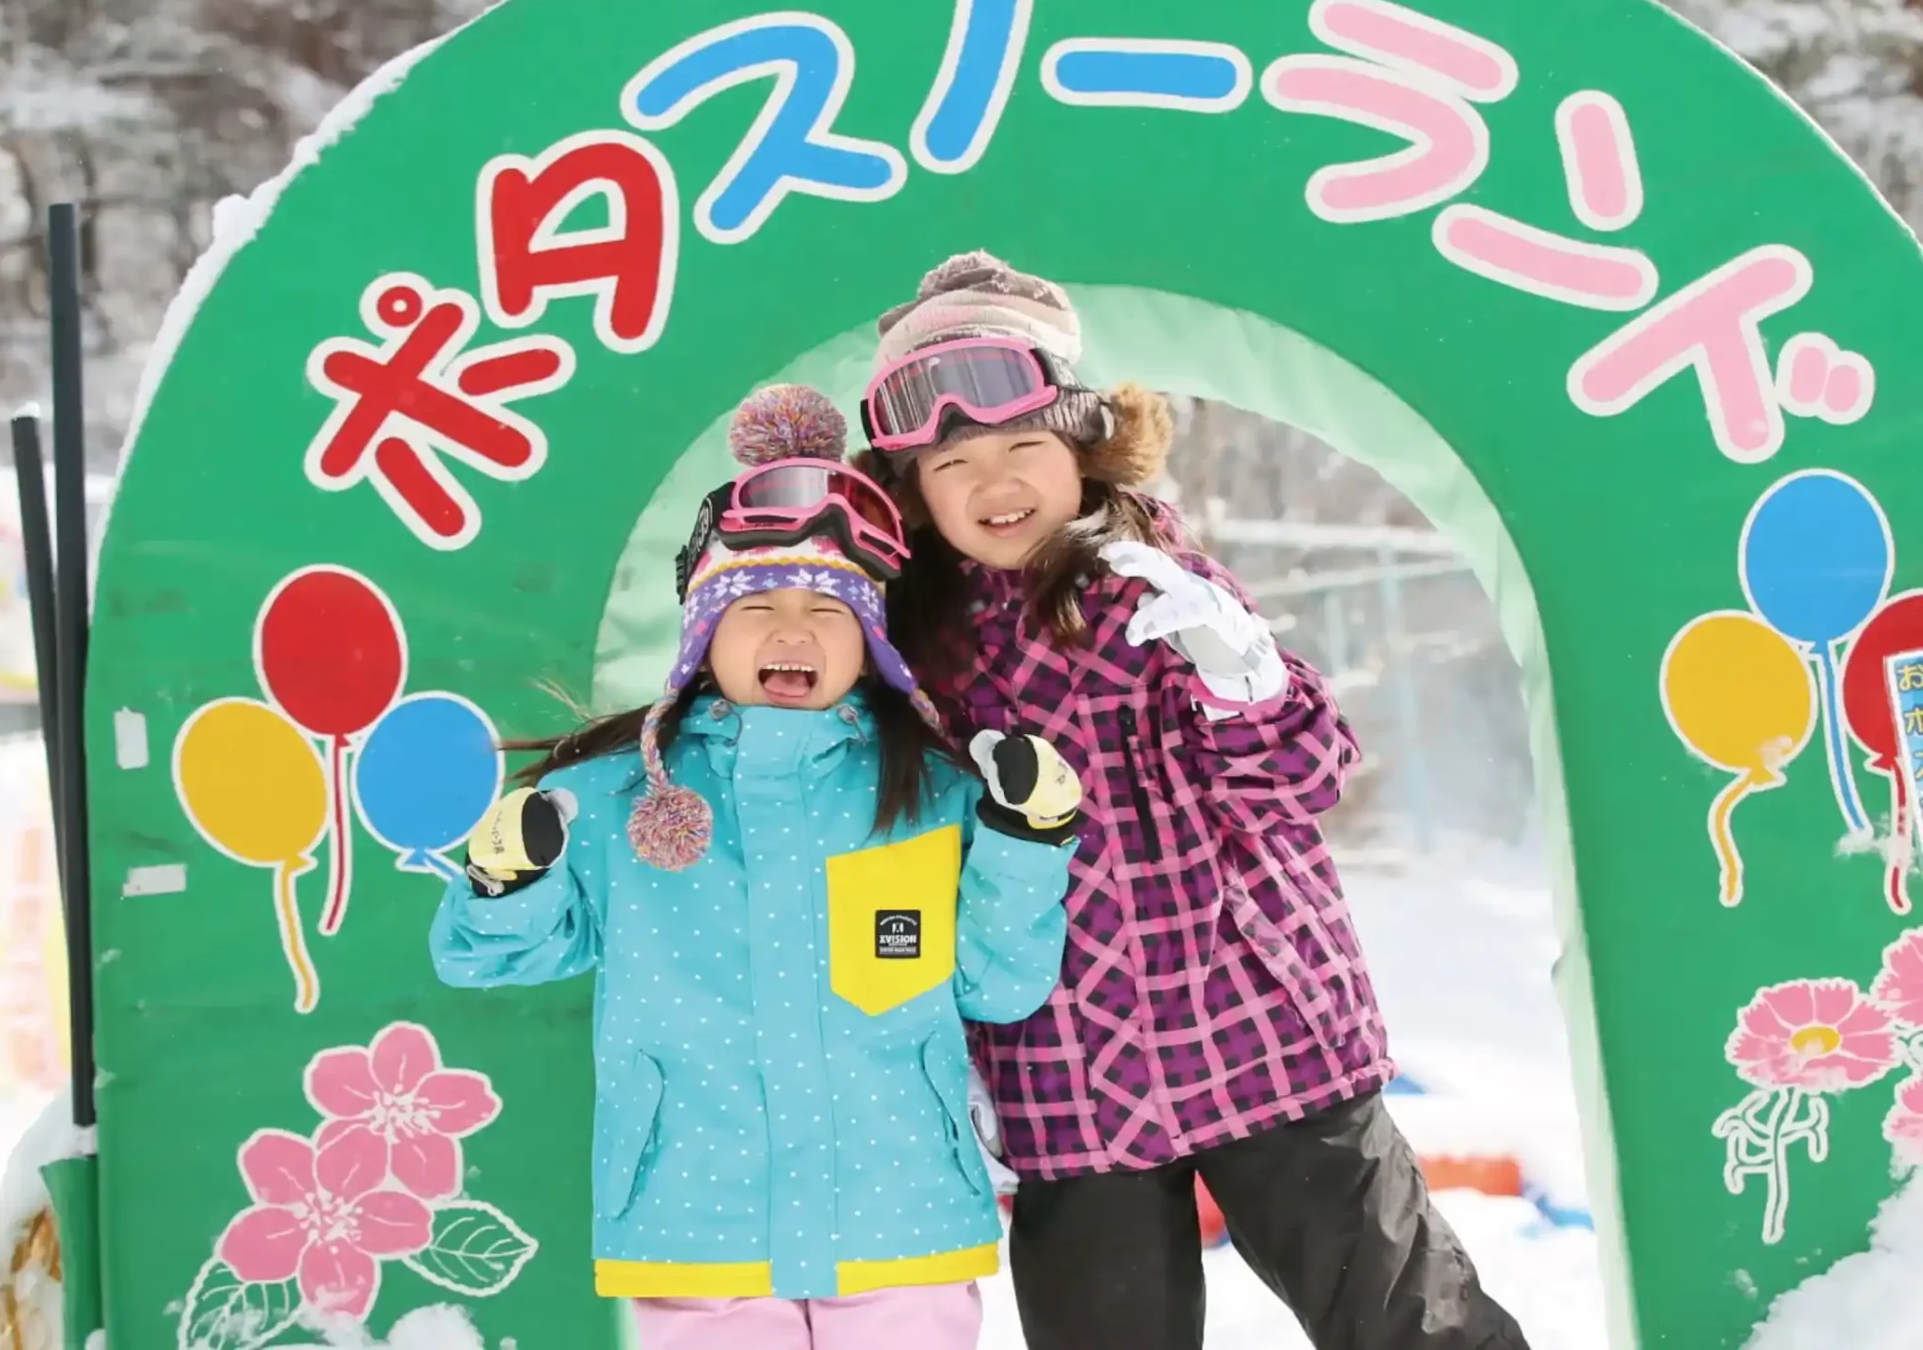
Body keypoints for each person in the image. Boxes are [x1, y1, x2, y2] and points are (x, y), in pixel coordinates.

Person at [854, 251, 1530, 1350]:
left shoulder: (1155, 589)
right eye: (953, 463)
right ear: (916, 496)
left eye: (1023, 445)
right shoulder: (911, 649)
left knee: (1407, 1323)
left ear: (1081, 449)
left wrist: (1238, 672)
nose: (994, 482)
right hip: (1063, 1064)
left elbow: (1305, 777)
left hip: (1261, 1026)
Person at [430, 383, 1086, 1350]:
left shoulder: (928, 791)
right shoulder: (619, 800)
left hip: (897, 1214)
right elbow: (485, 958)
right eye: (758, 606)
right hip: (698, 1217)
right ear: (702, 636)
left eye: (828, 609)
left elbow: (998, 984)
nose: (793, 632)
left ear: (869, 643)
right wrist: (505, 882)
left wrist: (1025, 842)